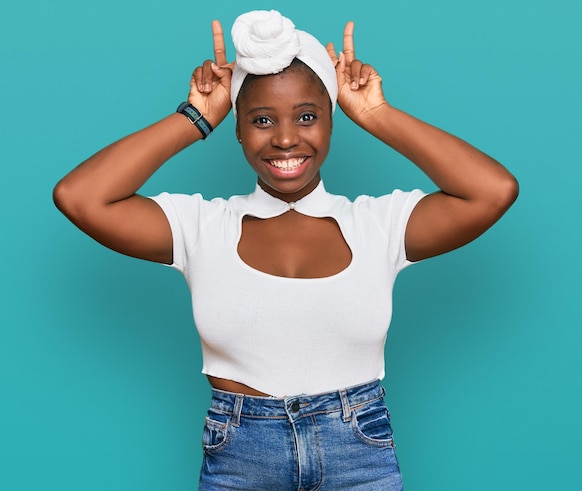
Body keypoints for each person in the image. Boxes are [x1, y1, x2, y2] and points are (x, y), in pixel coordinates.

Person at [53, 9, 518, 490]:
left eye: (308, 116)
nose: (286, 138)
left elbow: (492, 190)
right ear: (236, 129)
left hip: (359, 452)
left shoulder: (379, 224)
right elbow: (80, 197)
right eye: (261, 119)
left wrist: (377, 115)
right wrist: (195, 117)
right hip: (240, 456)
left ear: (332, 122)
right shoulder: (201, 226)